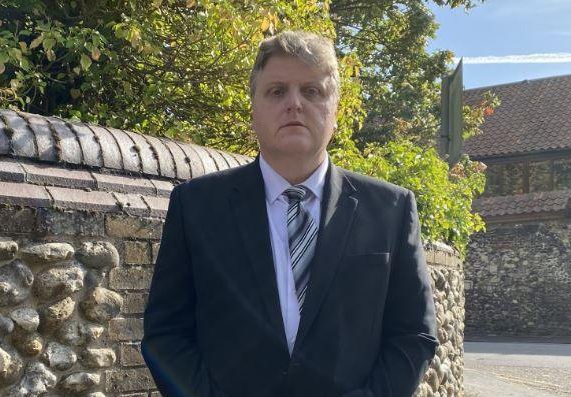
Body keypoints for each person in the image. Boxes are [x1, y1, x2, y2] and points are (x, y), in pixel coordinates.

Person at [142, 30, 438, 397]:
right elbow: (166, 333)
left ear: (335, 108)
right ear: (254, 107)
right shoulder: (196, 206)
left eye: (312, 91)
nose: (294, 104)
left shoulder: (391, 209)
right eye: (277, 91)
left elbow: (414, 334)